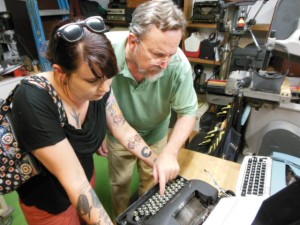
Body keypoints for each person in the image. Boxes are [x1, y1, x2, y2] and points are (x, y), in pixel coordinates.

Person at [11, 16, 165, 225]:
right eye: (93, 81)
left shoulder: (100, 84)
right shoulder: (33, 100)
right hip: (50, 202)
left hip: (84, 179)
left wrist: (157, 163)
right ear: (61, 73)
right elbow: (75, 182)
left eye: (109, 77)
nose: (105, 88)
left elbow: (123, 130)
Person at [105, 0, 199, 218]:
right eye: (158, 54)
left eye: (171, 53)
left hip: (156, 132)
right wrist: (101, 130)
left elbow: (188, 112)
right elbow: (95, 99)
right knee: (120, 184)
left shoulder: (178, 66)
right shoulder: (105, 53)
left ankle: (145, 219)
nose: (165, 63)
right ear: (133, 41)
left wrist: (170, 152)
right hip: (118, 133)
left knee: (152, 183)